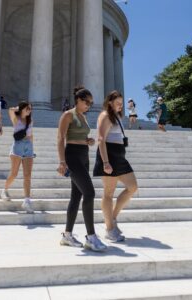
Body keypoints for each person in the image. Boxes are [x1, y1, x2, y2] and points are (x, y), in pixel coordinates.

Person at [56, 86, 107, 252]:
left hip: (84, 157)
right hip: (72, 156)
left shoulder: (83, 117)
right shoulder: (68, 115)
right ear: (78, 100)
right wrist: (62, 161)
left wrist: (89, 141)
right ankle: (91, 237)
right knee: (89, 193)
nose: (89, 105)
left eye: (91, 103)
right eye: (87, 102)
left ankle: (67, 235)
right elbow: (61, 138)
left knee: (76, 196)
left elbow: (81, 137)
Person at [95, 91, 137, 243]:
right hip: (109, 155)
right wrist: (105, 162)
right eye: (118, 103)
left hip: (119, 155)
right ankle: (109, 229)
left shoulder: (117, 117)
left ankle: (112, 217)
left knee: (132, 187)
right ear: (110, 102)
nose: (121, 106)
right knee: (108, 193)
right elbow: (101, 139)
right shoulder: (105, 115)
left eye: (121, 103)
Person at [1, 101, 36, 214]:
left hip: (28, 146)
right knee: (14, 173)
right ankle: (5, 189)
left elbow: (31, 135)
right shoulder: (16, 118)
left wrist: (32, 149)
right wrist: (18, 107)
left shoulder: (30, 121)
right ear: (22, 109)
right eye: (27, 108)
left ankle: (27, 201)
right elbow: (10, 110)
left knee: (27, 175)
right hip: (18, 146)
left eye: (30, 109)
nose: (29, 111)